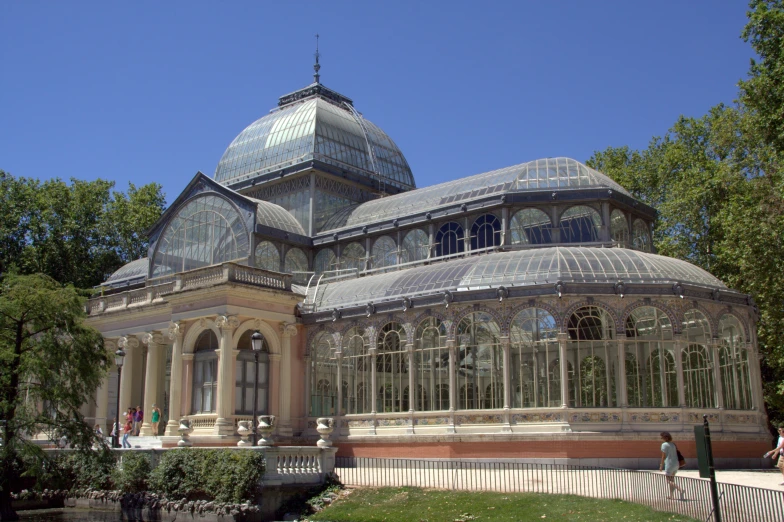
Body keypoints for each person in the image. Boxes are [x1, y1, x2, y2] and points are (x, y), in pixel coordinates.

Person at [659, 432, 685, 500]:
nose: (661, 438)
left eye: (662, 437)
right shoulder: (673, 444)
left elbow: (663, 456)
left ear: (665, 437)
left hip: (669, 464)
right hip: (676, 464)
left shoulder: (664, 445)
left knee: (668, 481)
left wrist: (661, 465)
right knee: (672, 480)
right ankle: (671, 495)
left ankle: (681, 490)